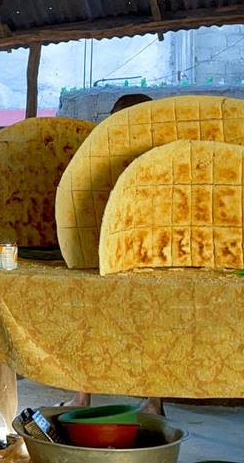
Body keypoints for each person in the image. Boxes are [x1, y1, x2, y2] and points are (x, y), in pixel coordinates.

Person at [69, 91, 164, 416]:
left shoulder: (160, 153)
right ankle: (82, 395)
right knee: (89, 321)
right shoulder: (100, 154)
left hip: (149, 254)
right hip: (105, 251)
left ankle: (154, 400)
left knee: (152, 326)